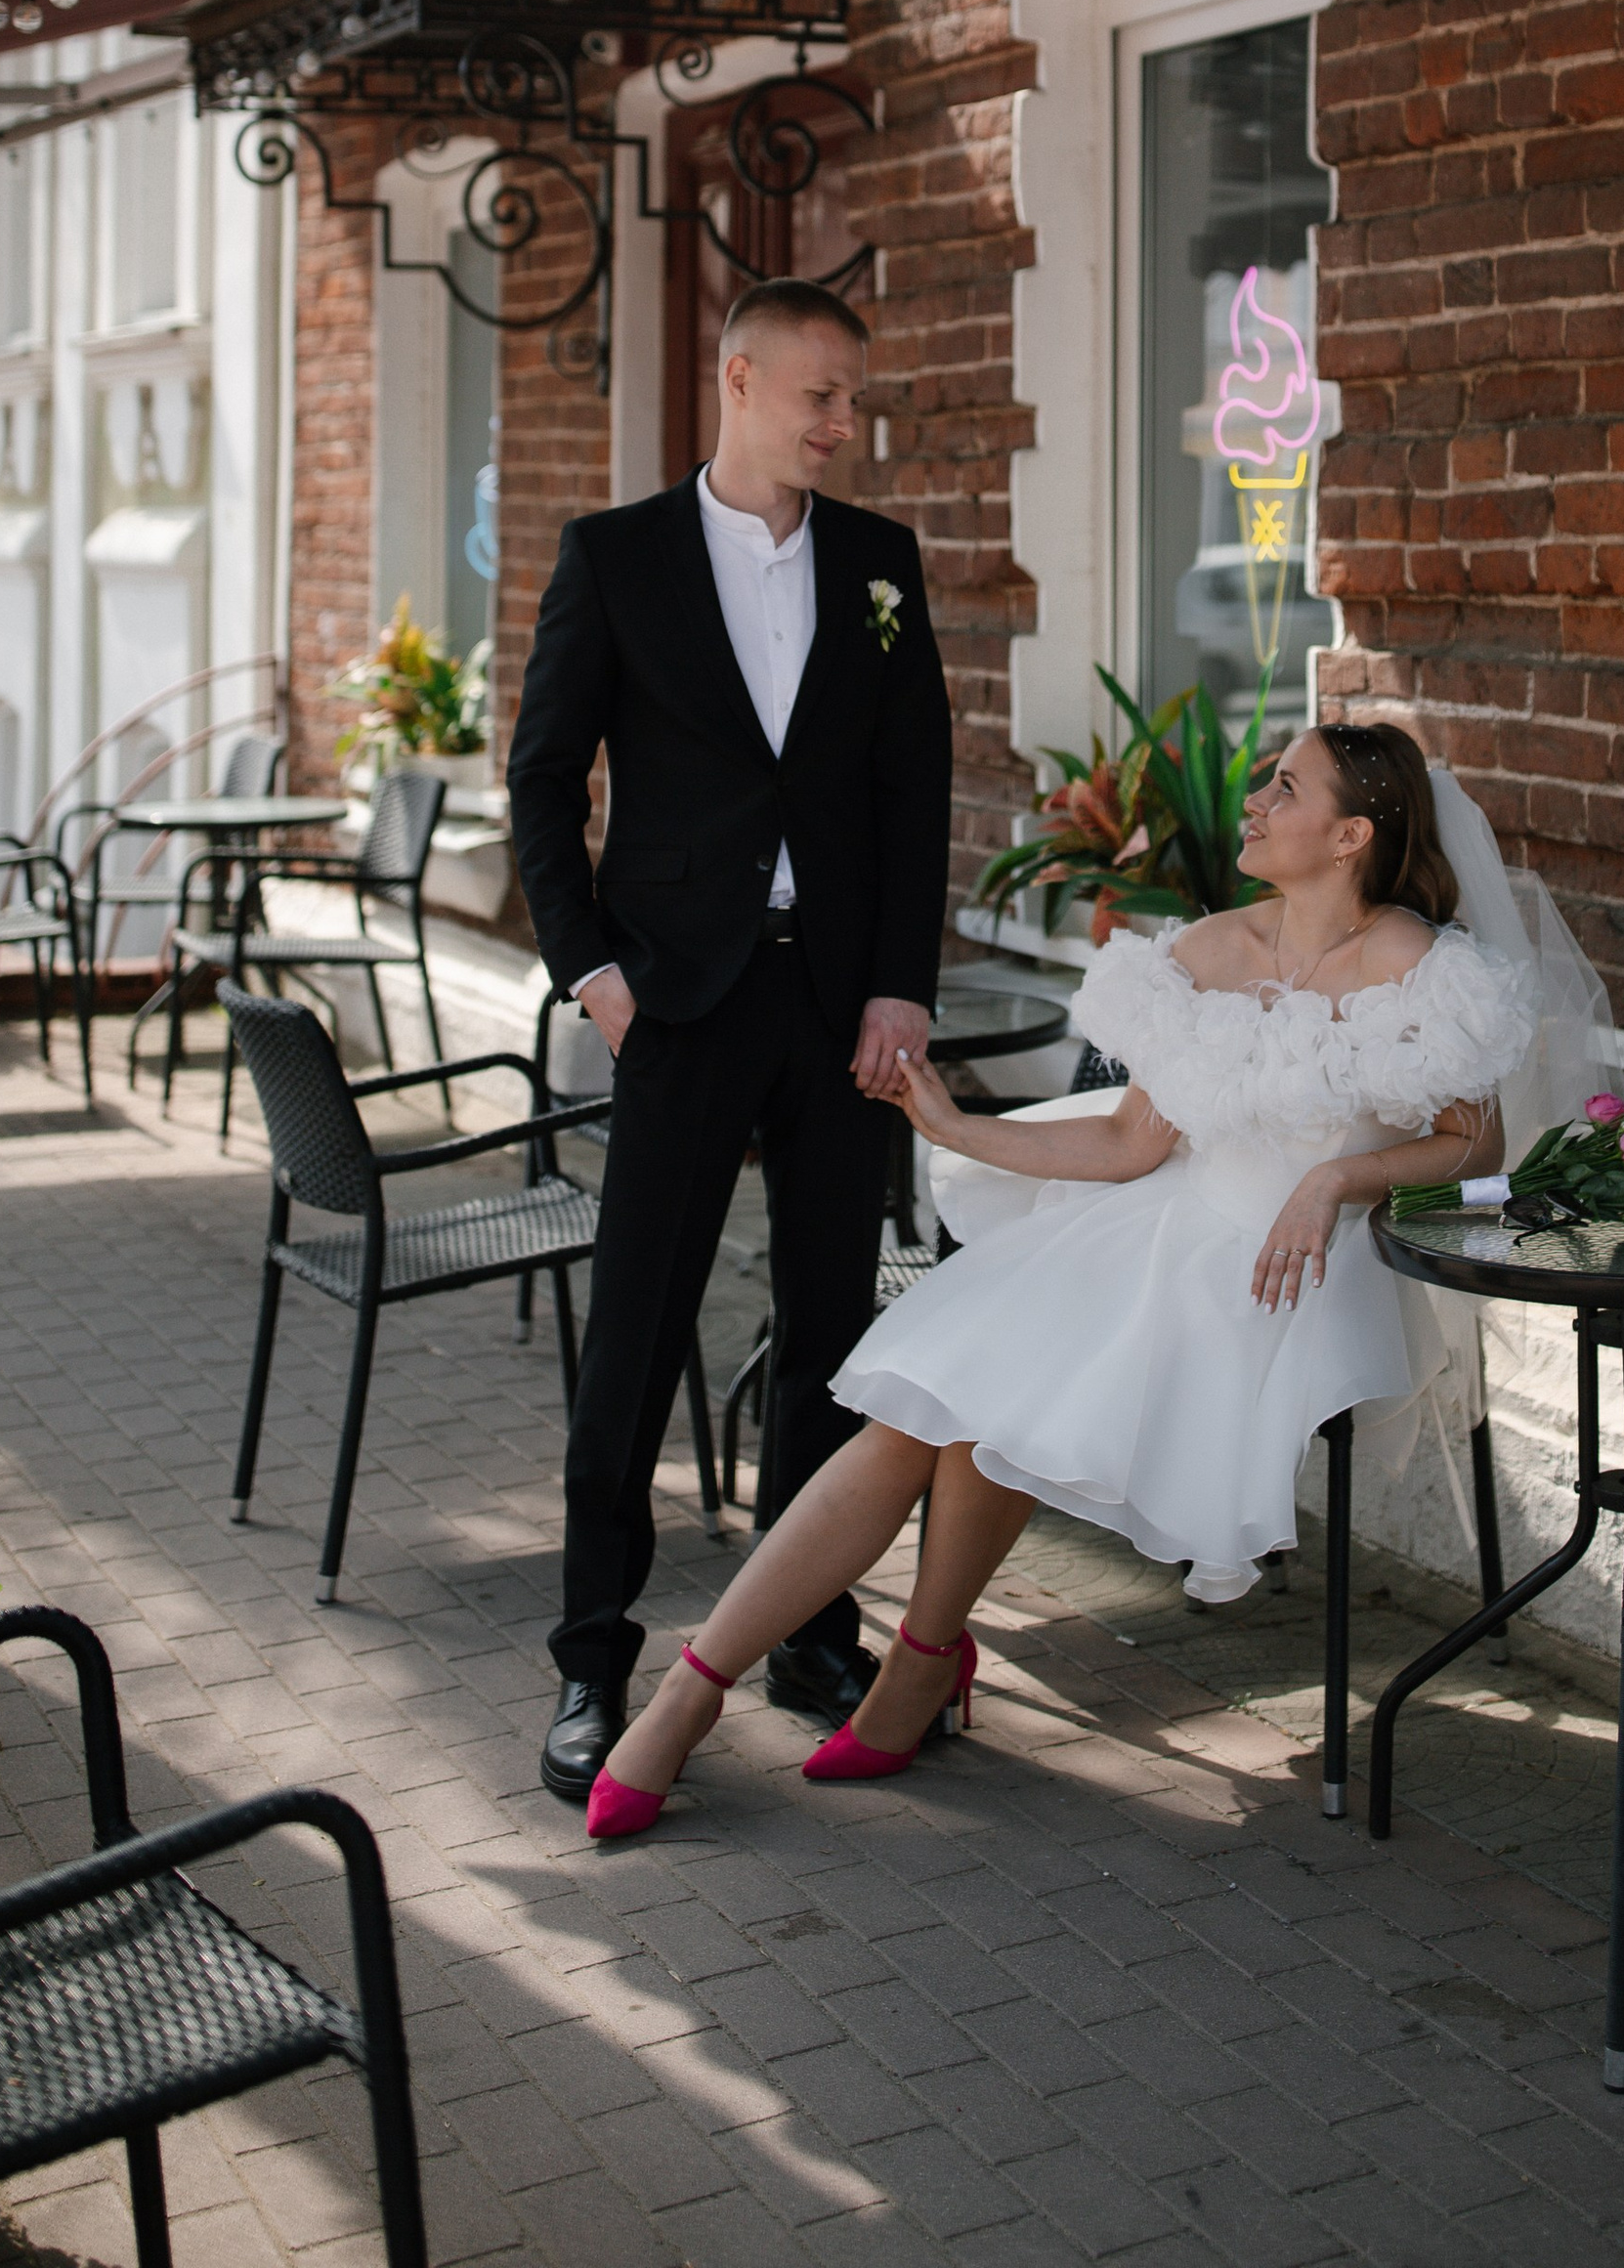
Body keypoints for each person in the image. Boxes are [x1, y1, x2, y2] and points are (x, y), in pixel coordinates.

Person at [580, 720, 1538, 1835]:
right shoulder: (1205, 951)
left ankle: (918, 1665)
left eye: (1286, 788)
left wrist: (1339, 1180)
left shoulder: (1416, 964)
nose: (1257, 801)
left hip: (1290, 1270)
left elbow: (1479, 1146)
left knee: (1001, 1394)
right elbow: (1130, 1149)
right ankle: (693, 1696)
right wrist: (952, 1122)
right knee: (924, 1412)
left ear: (1350, 835)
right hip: (1156, 1227)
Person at [506, 275, 951, 1804]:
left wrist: (903, 984)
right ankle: (589, 1659)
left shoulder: (883, 564)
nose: (845, 425)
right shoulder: (616, 558)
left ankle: (812, 1629)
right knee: (636, 1333)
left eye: (855, 401)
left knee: (836, 1331)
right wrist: (591, 973)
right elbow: (542, 777)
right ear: (742, 379)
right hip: (678, 999)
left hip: (839, 1008)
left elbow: (915, 791)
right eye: (823, 396)